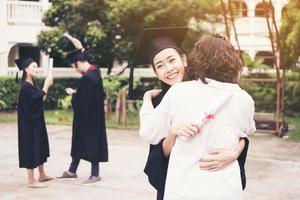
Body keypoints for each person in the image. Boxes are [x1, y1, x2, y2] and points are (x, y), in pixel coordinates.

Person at [132, 27, 249, 200]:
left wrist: (234, 153)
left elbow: (239, 133)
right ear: (156, 73)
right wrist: (173, 133)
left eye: (172, 60)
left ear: (184, 60)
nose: (168, 68)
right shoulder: (159, 103)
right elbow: (158, 154)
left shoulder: (212, 89)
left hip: (213, 184)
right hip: (177, 184)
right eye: (160, 66)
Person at [56, 48, 108, 185]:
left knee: (91, 143)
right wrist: (82, 48)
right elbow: (87, 96)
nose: (75, 70)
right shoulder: (95, 71)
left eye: (74, 67)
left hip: (87, 119)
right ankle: (72, 171)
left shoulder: (87, 78)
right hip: (94, 116)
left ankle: (95, 174)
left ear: (78, 63)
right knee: (79, 143)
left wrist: (73, 94)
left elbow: (82, 102)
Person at [16, 55, 54, 188]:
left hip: (36, 121)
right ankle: (31, 180)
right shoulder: (26, 87)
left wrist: (44, 88)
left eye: (37, 66)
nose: (36, 68)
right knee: (31, 147)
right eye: (34, 66)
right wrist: (46, 86)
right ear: (26, 69)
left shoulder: (32, 84)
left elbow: (40, 100)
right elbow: (35, 102)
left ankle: (42, 175)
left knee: (40, 145)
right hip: (29, 125)